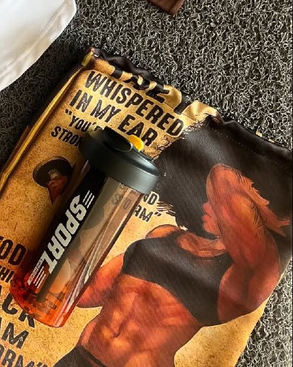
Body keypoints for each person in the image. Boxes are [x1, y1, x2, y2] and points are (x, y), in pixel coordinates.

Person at [54, 115, 292, 367]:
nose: (207, 204)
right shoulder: (164, 235)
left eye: (217, 203)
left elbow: (222, 178)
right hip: (78, 358)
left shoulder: (253, 273)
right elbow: (86, 293)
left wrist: (268, 210)